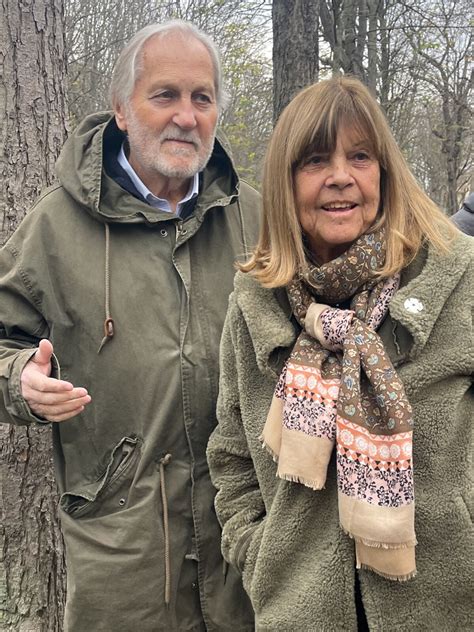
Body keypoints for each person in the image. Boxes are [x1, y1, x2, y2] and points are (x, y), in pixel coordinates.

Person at [0, 20, 259, 632]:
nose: (186, 117)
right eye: (164, 95)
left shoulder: (256, 218)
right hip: (122, 552)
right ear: (121, 109)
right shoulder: (56, 227)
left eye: (202, 98)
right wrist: (20, 381)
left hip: (245, 543)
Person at [207, 76, 473, 631]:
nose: (340, 178)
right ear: (285, 182)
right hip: (301, 613)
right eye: (314, 161)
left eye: (360, 156)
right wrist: (261, 555)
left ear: (384, 172)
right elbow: (232, 456)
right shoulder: (255, 304)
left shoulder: (457, 275)